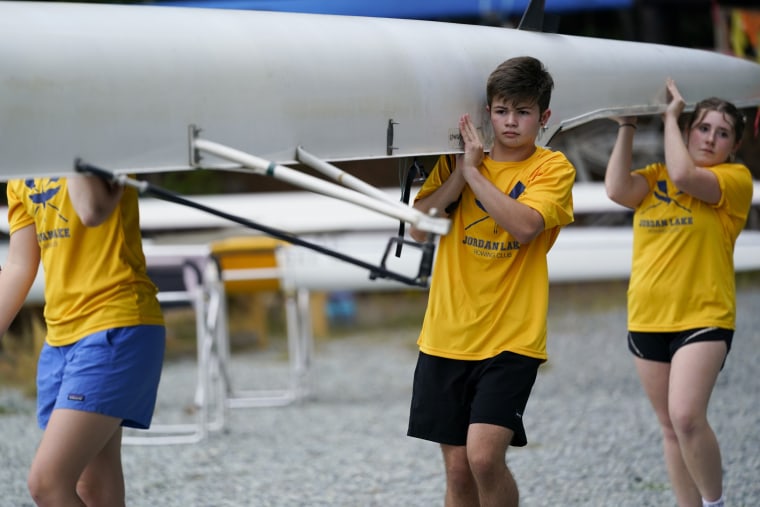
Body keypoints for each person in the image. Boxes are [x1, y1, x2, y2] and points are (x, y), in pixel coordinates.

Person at [406, 56, 575, 506]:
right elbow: (418, 227)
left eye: (522, 112)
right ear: (488, 112)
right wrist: (461, 175)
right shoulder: (458, 163)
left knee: (483, 458)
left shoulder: (552, 168)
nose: (510, 122)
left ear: (543, 117)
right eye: (501, 111)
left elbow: (524, 227)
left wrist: (475, 176)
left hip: (511, 338)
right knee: (459, 471)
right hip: (446, 335)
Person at [604, 78, 753, 507]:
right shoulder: (653, 179)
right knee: (670, 427)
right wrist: (627, 125)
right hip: (647, 317)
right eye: (702, 128)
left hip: (703, 317)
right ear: (690, 132)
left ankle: (715, 503)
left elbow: (686, 174)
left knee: (687, 417)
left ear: (733, 145)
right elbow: (616, 189)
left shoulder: (733, 180)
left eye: (721, 132)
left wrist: (669, 115)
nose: (710, 138)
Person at [0, 174, 166, 506]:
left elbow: (92, 210)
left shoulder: (94, 138)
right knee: (92, 488)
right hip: (60, 339)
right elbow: (19, 265)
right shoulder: (23, 167)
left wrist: (66, 134)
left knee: (47, 483)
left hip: (116, 324)